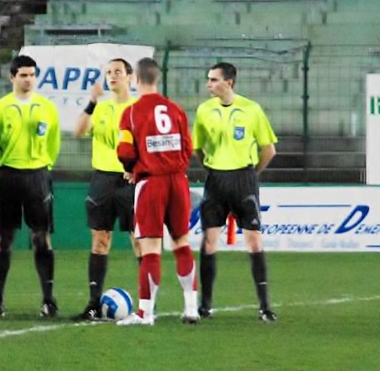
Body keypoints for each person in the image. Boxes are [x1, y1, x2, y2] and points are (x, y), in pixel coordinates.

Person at [192, 62, 278, 322]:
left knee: (254, 241)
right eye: (208, 79)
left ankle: (265, 307)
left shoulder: (251, 110)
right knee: (209, 241)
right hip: (216, 180)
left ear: (229, 82)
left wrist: (252, 174)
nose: (209, 84)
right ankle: (205, 305)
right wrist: (209, 165)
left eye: (214, 79)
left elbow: (268, 149)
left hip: (244, 178)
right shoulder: (204, 110)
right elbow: (197, 146)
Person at [115, 57, 198, 326]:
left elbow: (125, 151)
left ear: (135, 79)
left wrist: (132, 168)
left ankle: (145, 313)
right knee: (181, 244)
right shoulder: (175, 110)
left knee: (151, 248)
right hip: (178, 180)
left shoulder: (130, 113)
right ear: (157, 78)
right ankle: (191, 308)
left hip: (151, 183)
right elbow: (188, 147)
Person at [0, 55, 61, 318]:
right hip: (8, 176)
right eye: (23, 75)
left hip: (38, 176)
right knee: (4, 238)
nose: (28, 80)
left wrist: (43, 165)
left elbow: (53, 142)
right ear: (12, 77)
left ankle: (48, 300)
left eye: (32, 75)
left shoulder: (47, 108)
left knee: (41, 237)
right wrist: (1, 165)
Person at [72, 58, 141, 321]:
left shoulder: (137, 108)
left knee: (138, 241)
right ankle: (92, 303)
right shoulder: (99, 109)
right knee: (100, 241)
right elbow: (78, 132)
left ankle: (147, 303)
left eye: (118, 72)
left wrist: (136, 166)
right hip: (102, 179)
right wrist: (92, 101)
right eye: (109, 72)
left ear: (130, 78)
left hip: (131, 181)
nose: (113, 76)